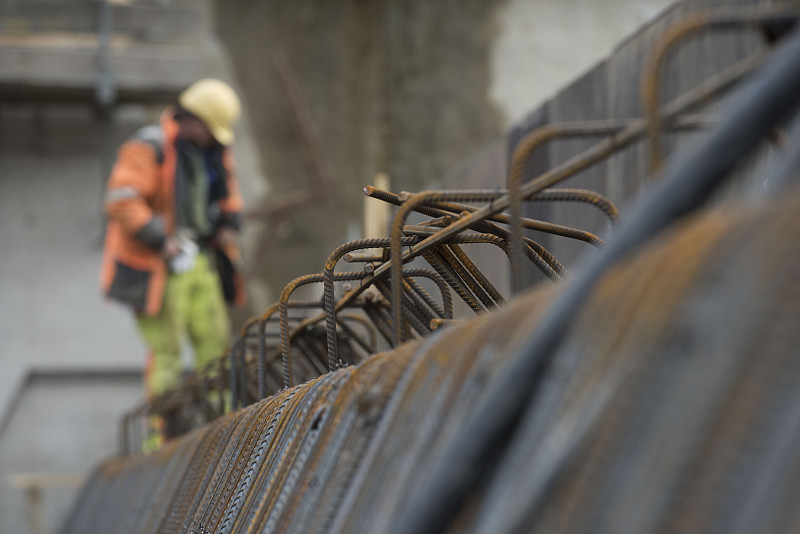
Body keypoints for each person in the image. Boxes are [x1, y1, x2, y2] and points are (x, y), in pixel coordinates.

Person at [100, 78, 246, 414]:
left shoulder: (213, 151)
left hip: (200, 260)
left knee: (214, 345)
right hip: (159, 266)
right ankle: (161, 433)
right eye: (211, 130)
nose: (214, 138)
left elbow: (230, 194)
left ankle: (219, 422)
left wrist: (228, 224)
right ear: (193, 120)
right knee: (167, 354)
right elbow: (122, 200)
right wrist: (160, 238)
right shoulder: (150, 147)